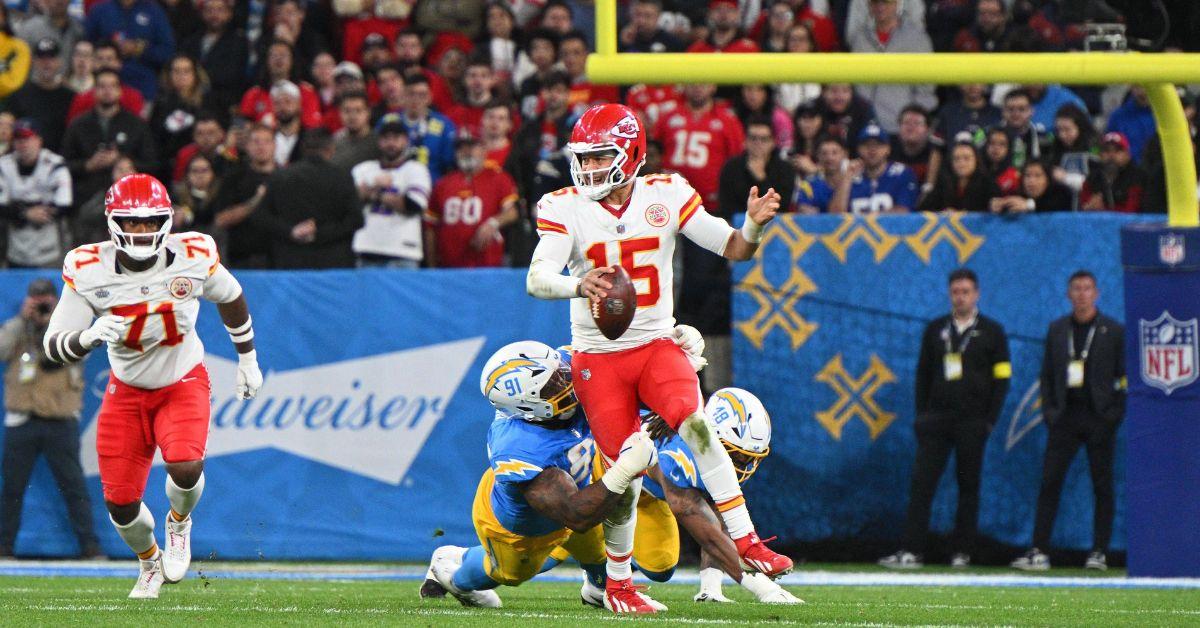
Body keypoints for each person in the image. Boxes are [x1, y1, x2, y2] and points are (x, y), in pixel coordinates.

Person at [525, 102, 791, 614]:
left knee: (695, 423)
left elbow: (734, 248)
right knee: (627, 467)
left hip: (654, 345)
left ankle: (747, 540)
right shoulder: (564, 205)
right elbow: (536, 279)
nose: (590, 168)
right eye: (584, 157)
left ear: (630, 153)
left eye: (601, 157)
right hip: (597, 358)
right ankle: (619, 583)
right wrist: (578, 284)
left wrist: (754, 226)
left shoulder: (666, 194)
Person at [44, 173, 262, 598]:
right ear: (113, 222)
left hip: (182, 379)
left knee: (185, 464)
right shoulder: (88, 267)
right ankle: (149, 563)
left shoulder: (193, 253)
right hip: (125, 390)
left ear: (167, 220)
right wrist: (86, 337)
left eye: (150, 222)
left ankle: (179, 523)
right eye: (132, 222)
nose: (142, 231)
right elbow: (54, 345)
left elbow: (231, 295)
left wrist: (248, 359)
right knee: (121, 503)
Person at [418, 341, 655, 609]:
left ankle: (599, 589)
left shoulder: (563, 371)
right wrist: (625, 469)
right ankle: (452, 569)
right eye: (552, 384)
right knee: (508, 574)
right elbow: (577, 515)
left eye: (560, 372)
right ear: (532, 405)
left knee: (597, 543)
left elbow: (612, 361)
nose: (565, 379)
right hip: (521, 523)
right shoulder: (520, 449)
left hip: (571, 490)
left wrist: (670, 350)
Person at [537, 388, 802, 605]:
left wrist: (711, 588)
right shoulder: (679, 455)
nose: (742, 464)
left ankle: (597, 575)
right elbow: (708, 532)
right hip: (606, 484)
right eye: (737, 455)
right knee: (529, 564)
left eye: (748, 458)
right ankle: (592, 572)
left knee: (661, 567)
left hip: (647, 496)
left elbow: (719, 514)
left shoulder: (701, 441)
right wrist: (761, 588)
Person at [879, 268, 1011, 569]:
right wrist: (921, 417)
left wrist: (989, 420)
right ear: (949, 294)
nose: (960, 297)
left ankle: (962, 552)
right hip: (936, 421)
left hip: (973, 422)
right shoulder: (935, 329)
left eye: (965, 291)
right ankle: (912, 551)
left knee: (968, 486)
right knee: (922, 484)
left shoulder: (993, 331)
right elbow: (923, 375)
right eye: (955, 292)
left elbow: (1002, 379)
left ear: (976, 294)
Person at [1013, 270, 1124, 571]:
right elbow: (1047, 375)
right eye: (1076, 289)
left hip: (1099, 417)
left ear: (1097, 293)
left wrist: (1114, 414)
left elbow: (1125, 378)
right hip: (1065, 417)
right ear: (1068, 294)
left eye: (1088, 289)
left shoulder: (1112, 331)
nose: (1082, 294)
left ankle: (1099, 551)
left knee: (1102, 485)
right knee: (1050, 482)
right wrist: (1050, 412)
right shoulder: (1057, 329)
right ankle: (1039, 550)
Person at [0, 279, 100, 560]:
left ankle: (90, 546)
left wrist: (56, 320)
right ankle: (4, 547)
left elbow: (77, 352)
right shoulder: (18, 328)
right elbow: (2, 349)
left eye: (46, 300)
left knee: (74, 487)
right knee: (12, 488)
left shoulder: (70, 331)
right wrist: (24, 320)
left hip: (61, 420)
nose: (42, 304)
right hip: (22, 420)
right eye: (36, 299)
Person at [252, 129, 363, 269]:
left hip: (289, 263)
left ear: (303, 148)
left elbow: (260, 216)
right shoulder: (342, 177)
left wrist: (291, 231)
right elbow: (356, 220)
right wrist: (319, 234)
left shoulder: (280, 176)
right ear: (331, 149)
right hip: (334, 264)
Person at [61, 68, 159, 210]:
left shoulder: (136, 124)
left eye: (112, 86)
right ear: (94, 90)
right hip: (85, 199)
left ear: (120, 91)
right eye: (102, 86)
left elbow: (152, 165)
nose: (107, 91)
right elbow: (63, 165)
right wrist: (88, 165)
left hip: (129, 200)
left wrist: (123, 161)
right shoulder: (78, 125)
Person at [424, 134, 519, 268]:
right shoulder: (443, 184)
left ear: (484, 150)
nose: (467, 151)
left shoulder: (499, 178)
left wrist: (493, 223)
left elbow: (512, 212)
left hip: (487, 266)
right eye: (461, 148)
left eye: (472, 147)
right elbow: (430, 228)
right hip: (449, 267)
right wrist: (431, 267)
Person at [350, 113, 431, 268]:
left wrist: (376, 194)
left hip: (403, 251)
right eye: (386, 138)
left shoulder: (416, 170)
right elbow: (349, 201)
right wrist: (376, 188)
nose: (391, 143)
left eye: (396, 138)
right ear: (379, 142)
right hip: (366, 248)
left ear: (405, 141)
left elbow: (414, 205)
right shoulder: (363, 169)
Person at [847, 0, 935, 134]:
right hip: (865, 125)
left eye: (886, 2)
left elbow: (926, 86)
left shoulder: (917, 39)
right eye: (875, 3)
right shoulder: (860, 37)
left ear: (897, 4)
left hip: (902, 126)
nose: (880, 7)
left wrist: (912, 119)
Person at [0, 120, 73, 268]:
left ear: (39, 140)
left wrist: (35, 212)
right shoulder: (4, 165)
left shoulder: (55, 164)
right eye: (19, 139)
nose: (23, 144)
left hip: (49, 244)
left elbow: (65, 203)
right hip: (15, 244)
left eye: (28, 138)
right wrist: (25, 213)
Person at [211, 123, 275, 267]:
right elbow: (220, 220)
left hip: (277, 260)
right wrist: (256, 200)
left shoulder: (285, 177)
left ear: (274, 145)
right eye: (256, 141)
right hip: (241, 259)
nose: (261, 146)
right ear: (247, 146)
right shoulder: (234, 178)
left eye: (266, 141)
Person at [84, 0, 175, 100]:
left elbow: (167, 52)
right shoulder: (100, 10)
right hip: (103, 88)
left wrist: (139, 49)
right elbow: (87, 47)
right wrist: (107, 54)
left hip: (143, 88)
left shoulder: (154, 11)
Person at [178, 0, 248, 117]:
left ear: (229, 14)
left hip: (222, 103)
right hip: (190, 101)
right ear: (202, 14)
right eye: (209, 10)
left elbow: (232, 74)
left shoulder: (238, 41)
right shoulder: (191, 40)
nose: (214, 15)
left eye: (220, 10)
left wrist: (198, 78)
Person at [6, 39, 77, 153]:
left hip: (61, 160)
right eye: (42, 58)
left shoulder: (71, 97)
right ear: (34, 61)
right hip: (25, 160)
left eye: (51, 58)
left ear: (60, 61)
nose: (46, 63)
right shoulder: (19, 96)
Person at [833, 124, 918, 214]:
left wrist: (869, 219)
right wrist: (847, 178)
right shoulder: (850, 175)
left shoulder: (902, 173)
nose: (872, 149)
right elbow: (834, 216)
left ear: (888, 149)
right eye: (866, 145)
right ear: (858, 149)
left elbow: (905, 211)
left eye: (878, 145)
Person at [919, 142, 997, 213]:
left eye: (966, 158)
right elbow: (922, 210)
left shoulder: (987, 183)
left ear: (976, 160)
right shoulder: (943, 183)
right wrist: (941, 213)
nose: (961, 163)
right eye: (956, 159)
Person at [1080, 131, 1146, 213]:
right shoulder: (1093, 177)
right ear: (1100, 155)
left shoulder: (1137, 177)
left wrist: (1103, 210)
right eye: (1106, 150)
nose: (1111, 155)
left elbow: (1132, 211)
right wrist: (1089, 208)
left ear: (1127, 155)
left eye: (1118, 150)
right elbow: (1082, 208)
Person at [793, 134, 850, 213]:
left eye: (835, 153)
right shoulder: (808, 185)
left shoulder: (855, 184)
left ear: (845, 154)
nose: (830, 158)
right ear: (818, 156)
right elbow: (805, 213)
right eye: (824, 153)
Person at [990, 160, 1072, 214]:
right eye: (1027, 175)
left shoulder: (1061, 193)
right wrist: (1001, 206)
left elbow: (1056, 206)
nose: (1031, 181)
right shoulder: (1018, 195)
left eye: (1038, 176)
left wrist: (1028, 205)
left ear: (1047, 179)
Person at [936, 84, 1001, 149]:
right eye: (968, 79)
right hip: (954, 158)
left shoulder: (998, 113)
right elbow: (937, 147)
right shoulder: (948, 112)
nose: (973, 86)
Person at [330, 91, 378, 171]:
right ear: (339, 113)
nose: (352, 116)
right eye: (347, 111)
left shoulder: (378, 142)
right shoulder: (334, 142)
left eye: (358, 110)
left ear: (368, 113)